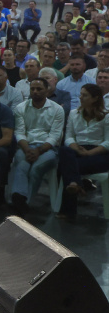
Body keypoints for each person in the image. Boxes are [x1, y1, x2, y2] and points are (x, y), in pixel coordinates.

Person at [9, 78, 65, 214]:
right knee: (22, 164)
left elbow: (55, 136)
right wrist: (28, 149)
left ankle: (23, 202)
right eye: (32, 89)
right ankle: (20, 200)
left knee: (35, 169)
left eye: (39, 89)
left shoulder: (57, 109)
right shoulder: (21, 108)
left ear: (47, 90)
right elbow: (20, 133)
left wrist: (39, 150)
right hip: (26, 146)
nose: (35, 92)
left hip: (48, 148)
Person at [57, 84, 109, 219]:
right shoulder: (74, 114)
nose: (80, 97)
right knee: (64, 150)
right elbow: (68, 136)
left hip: (98, 152)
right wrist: (76, 148)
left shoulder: (106, 116)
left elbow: (108, 142)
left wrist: (89, 153)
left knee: (67, 167)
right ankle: (76, 184)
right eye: (80, 94)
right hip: (77, 150)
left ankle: (69, 207)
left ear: (95, 98)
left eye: (84, 95)